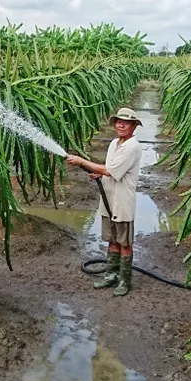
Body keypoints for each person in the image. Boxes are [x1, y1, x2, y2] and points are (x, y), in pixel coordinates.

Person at [65, 108, 143, 296]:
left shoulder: (132, 147)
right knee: (112, 240)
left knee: (124, 243)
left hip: (122, 202)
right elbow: (109, 169)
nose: (121, 125)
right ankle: (111, 275)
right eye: (118, 121)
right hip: (108, 199)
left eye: (126, 122)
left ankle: (124, 281)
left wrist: (82, 161)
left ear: (134, 126)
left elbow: (109, 171)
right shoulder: (114, 143)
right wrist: (99, 173)